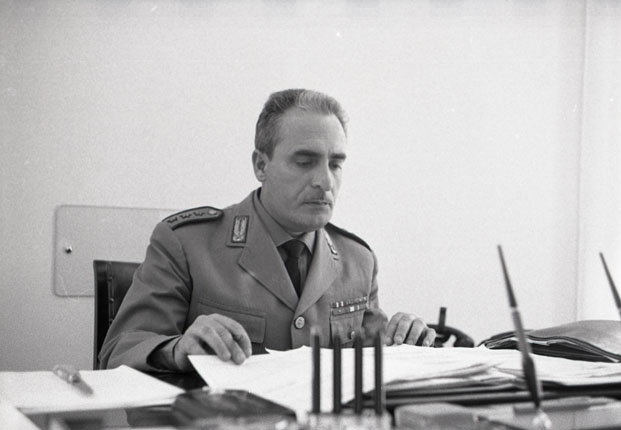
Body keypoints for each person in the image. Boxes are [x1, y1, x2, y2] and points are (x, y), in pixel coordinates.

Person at [99, 89, 436, 372]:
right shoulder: (187, 243)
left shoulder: (357, 260)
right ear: (261, 165)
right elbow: (117, 352)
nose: (325, 181)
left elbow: (373, 362)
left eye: (335, 164)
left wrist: (406, 338)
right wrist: (176, 350)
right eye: (304, 162)